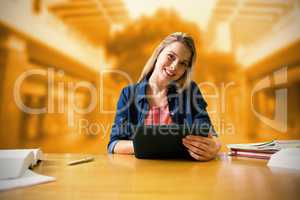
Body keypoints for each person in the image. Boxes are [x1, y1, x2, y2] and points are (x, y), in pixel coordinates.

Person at [108, 32, 221, 161]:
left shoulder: (190, 91)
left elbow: (210, 133)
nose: (174, 67)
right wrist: (155, 146)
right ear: (158, 53)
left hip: (183, 176)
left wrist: (215, 146)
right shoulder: (128, 94)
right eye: (171, 56)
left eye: (183, 63)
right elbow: (113, 145)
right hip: (140, 176)